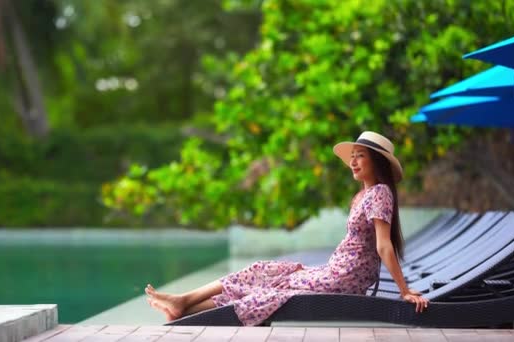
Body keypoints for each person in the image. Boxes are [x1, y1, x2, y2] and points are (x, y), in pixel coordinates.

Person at [145, 131, 429, 326]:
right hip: (335, 272)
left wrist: (404, 291)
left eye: (361, 156)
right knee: (265, 272)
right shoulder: (363, 195)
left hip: (343, 278)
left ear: (376, 162)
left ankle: (184, 305)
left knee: (272, 284)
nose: (353, 162)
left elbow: (383, 245)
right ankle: (184, 305)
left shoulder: (380, 193)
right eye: (352, 156)